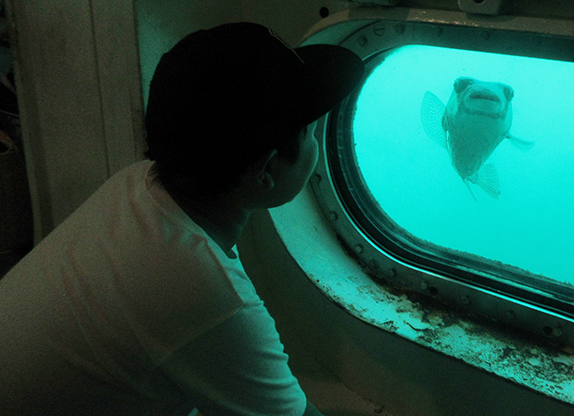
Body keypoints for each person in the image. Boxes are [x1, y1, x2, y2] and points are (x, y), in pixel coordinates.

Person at [0, 22, 364, 416]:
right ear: (266, 169)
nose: (314, 143)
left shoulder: (136, 185)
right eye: (309, 132)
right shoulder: (208, 295)